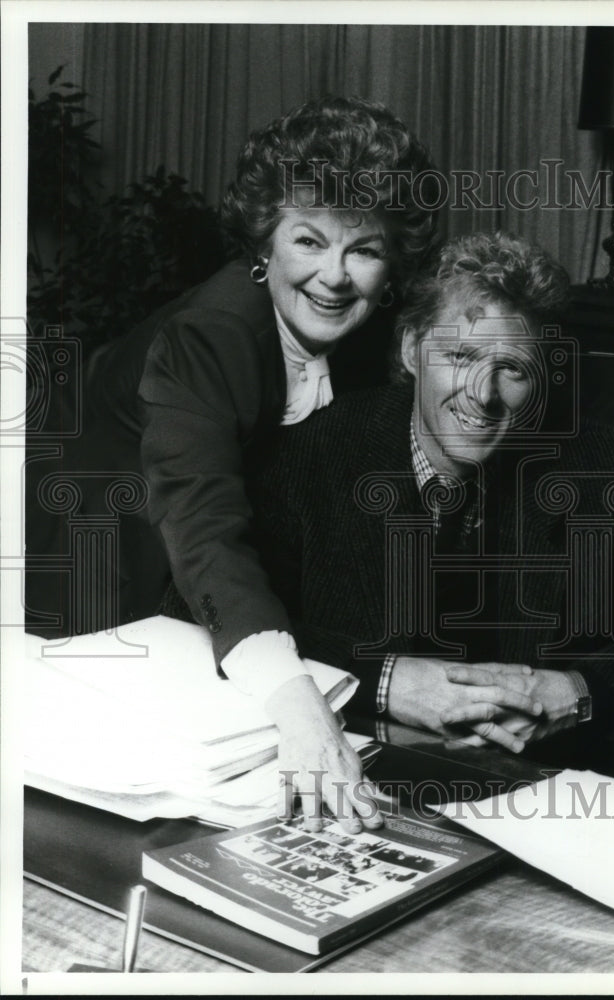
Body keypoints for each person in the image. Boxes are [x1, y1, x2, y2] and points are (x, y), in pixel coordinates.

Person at [25, 96, 438, 832]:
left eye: (364, 250)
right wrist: (297, 702)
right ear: (264, 243)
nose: (335, 277)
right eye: (309, 241)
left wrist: (394, 686)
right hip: (99, 585)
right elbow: (203, 523)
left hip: (213, 607)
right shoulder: (209, 335)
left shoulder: (369, 346)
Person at [251, 232, 614, 771]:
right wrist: (383, 682)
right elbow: (217, 620)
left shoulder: (605, 470)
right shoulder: (315, 448)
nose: (482, 394)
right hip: (352, 762)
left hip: (539, 782)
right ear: (412, 349)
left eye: (513, 368)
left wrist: (576, 692)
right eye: (460, 355)